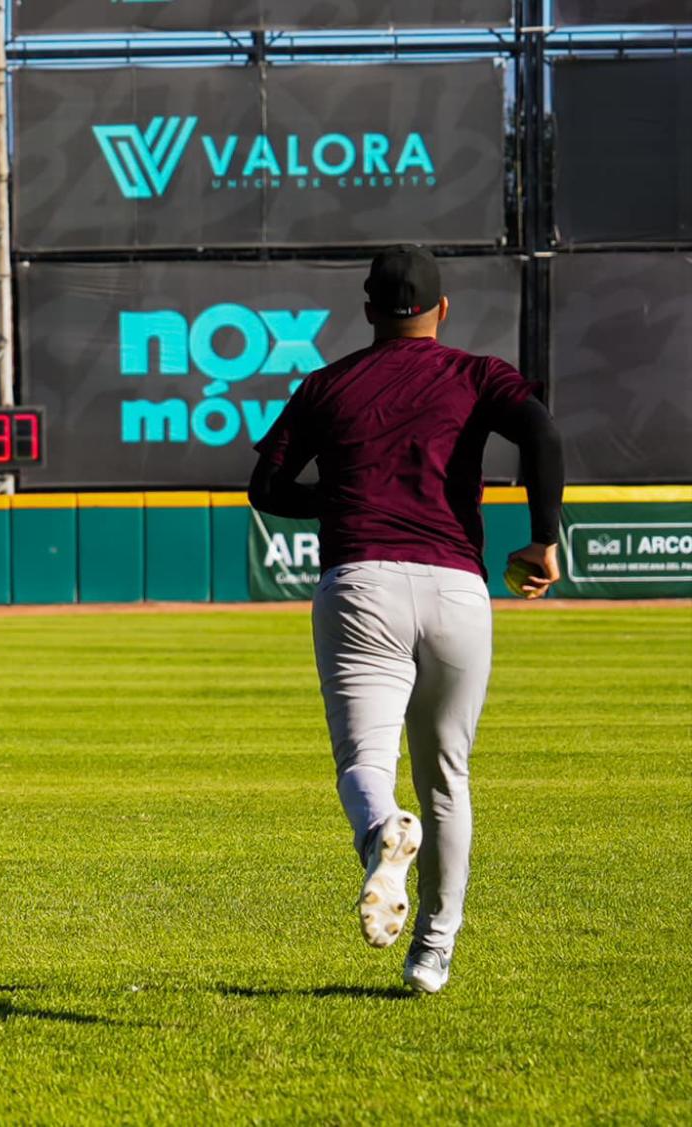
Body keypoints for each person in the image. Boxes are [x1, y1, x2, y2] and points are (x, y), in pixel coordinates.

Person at [249, 246, 565, 995]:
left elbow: (267, 487)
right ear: (442, 309)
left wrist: (341, 502)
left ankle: (379, 836)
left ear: (367, 310)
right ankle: (431, 952)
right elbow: (543, 435)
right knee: (447, 777)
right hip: (456, 587)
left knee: (366, 762)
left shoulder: (327, 383)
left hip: (362, 582)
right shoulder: (477, 374)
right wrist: (543, 537)